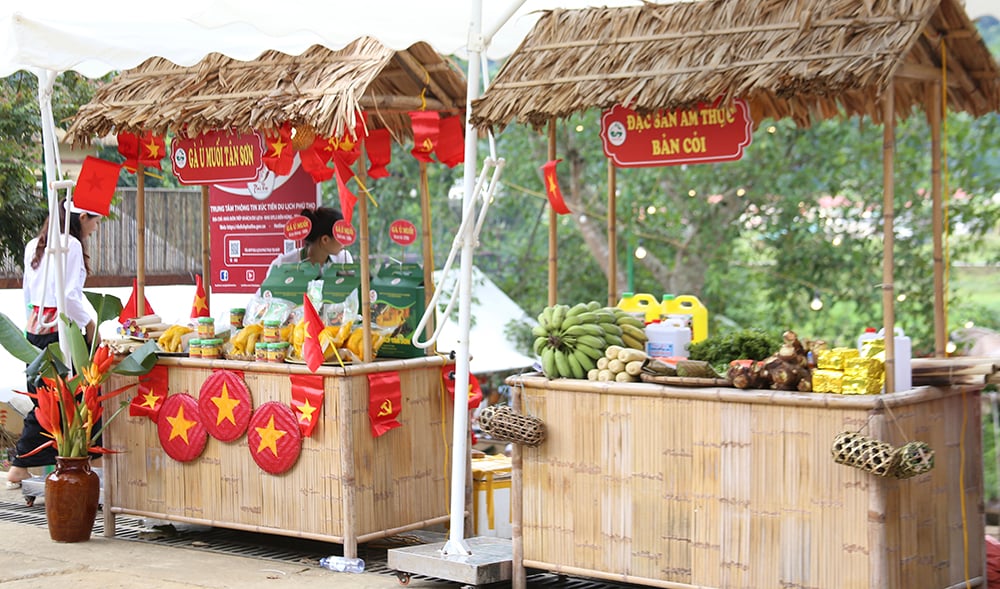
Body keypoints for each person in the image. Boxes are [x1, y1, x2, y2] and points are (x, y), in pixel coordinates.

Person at [6, 201, 103, 488]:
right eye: (95, 221)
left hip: (35, 328)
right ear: (82, 216)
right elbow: (69, 296)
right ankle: (88, 463)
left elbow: (28, 292)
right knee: (83, 396)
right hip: (59, 332)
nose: (95, 229)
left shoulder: (34, 243)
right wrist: (89, 324)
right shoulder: (70, 245)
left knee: (45, 400)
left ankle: (22, 465)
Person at [264, 206, 353, 279]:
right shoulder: (282, 265)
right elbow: (262, 297)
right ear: (325, 239)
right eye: (340, 236)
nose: (344, 242)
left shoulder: (343, 260)